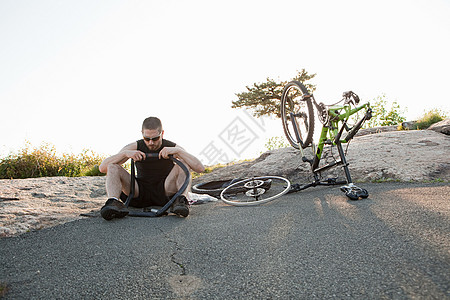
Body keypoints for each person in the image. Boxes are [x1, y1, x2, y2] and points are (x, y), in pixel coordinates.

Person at [98, 117, 205, 220]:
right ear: (142, 133)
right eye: (146, 139)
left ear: (162, 133)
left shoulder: (171, 146)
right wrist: (125, 154)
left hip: (166, 191)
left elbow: (200, 168)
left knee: (183, 163)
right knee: (112, 166)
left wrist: (178, 152)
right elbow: (103, 168)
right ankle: (113, 202)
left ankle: (181, 201)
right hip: (139, 192)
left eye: (155, 138)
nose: (151, 143)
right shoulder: (135, 146)